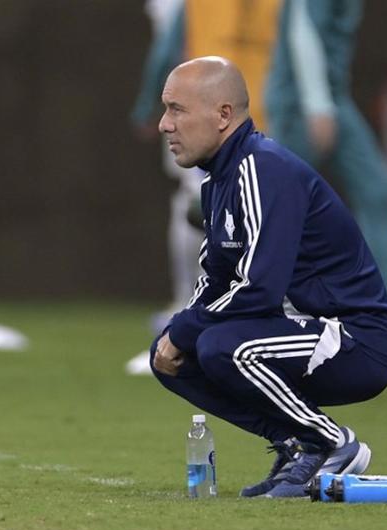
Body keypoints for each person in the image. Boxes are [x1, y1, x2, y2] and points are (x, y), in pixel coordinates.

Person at [150, 57, 387, 498]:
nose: (163, 125)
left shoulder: (262, 169)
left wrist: (188, 328)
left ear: (223, 115)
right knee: (172, 355)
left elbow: (258, 289)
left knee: (221, 346)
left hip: (358, 339)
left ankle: (332, 443)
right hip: (304, 332)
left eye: (176, 109)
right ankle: (296, 446)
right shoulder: (219, 182)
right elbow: (215, 279)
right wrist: (178, 332)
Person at [127, 0, 281, 374]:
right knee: (260, 220)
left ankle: (188, 313)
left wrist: (149, 104)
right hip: (264, 118)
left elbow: (167, 48)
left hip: (206, 122)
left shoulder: (196, 5)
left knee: (197, 209)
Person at [267, 0, 387, 335]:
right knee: (275, 203)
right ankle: (250, 296)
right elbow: (304, 30)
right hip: (303, 102)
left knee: (376, 189)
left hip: (331, 97)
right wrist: (317, 104)